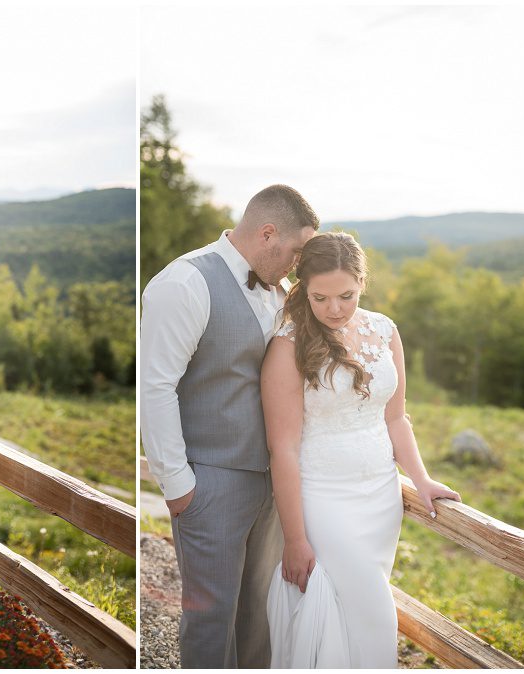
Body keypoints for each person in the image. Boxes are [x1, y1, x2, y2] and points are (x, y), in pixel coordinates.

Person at [261, 232, 461, 668]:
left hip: (381, 499)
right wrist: (295, 538)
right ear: (304, 289)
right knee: (375, 614)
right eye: (320, 298)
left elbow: (395, 418)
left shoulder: (384, 330)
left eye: (346, 296)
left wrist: (422, 480)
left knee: (352, 615)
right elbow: (283, 450)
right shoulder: (288, 346)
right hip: (323, 500)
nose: (334, 309)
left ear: (362, 283)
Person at [140, 184, 318, 669]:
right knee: (211, 621)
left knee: (259, 617)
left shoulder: (279, 292)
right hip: (211, 482)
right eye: (297, 251)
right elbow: (154, 387)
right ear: (267, 234)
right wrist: (178, 488)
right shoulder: (185, 283)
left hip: (271, 485)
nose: (299, 264)